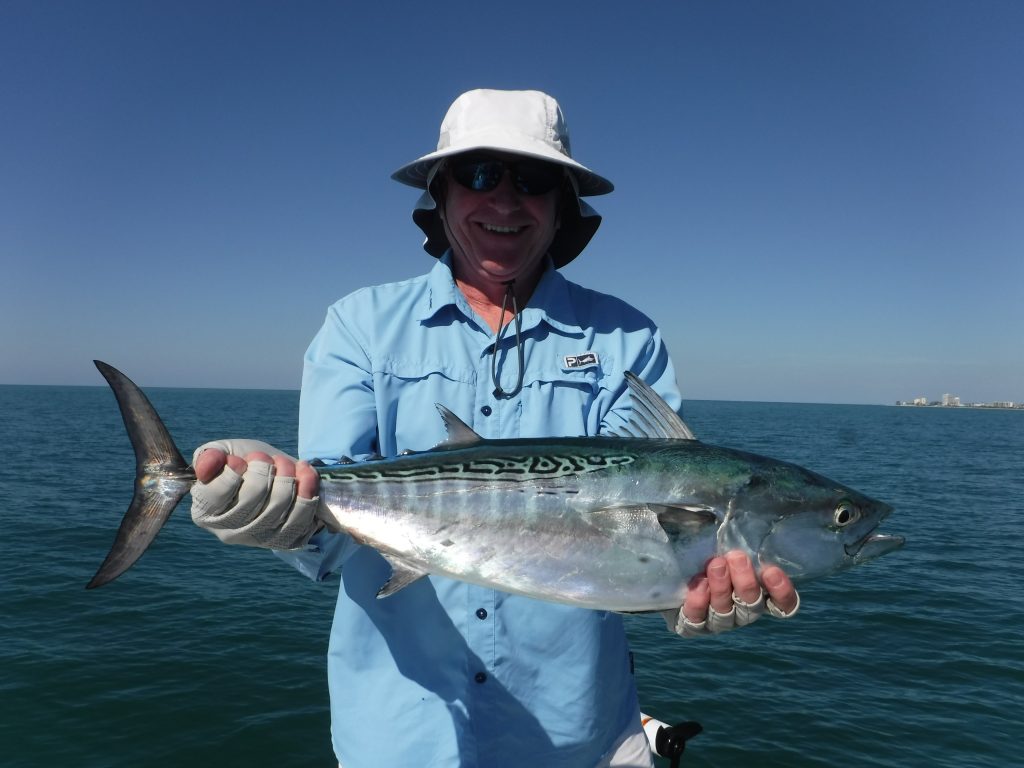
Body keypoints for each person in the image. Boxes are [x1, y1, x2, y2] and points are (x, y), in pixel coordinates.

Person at [189, 89, 799, 768]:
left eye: (533, 180)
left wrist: (687, 597)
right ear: (441, 194)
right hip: (399, 738)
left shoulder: (628, 338)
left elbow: (645, 543)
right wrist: (276, 516)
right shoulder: (359, 326)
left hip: (580, 735)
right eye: (480, 174)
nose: (505, 201)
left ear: (562, 203)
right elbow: (326, 533)